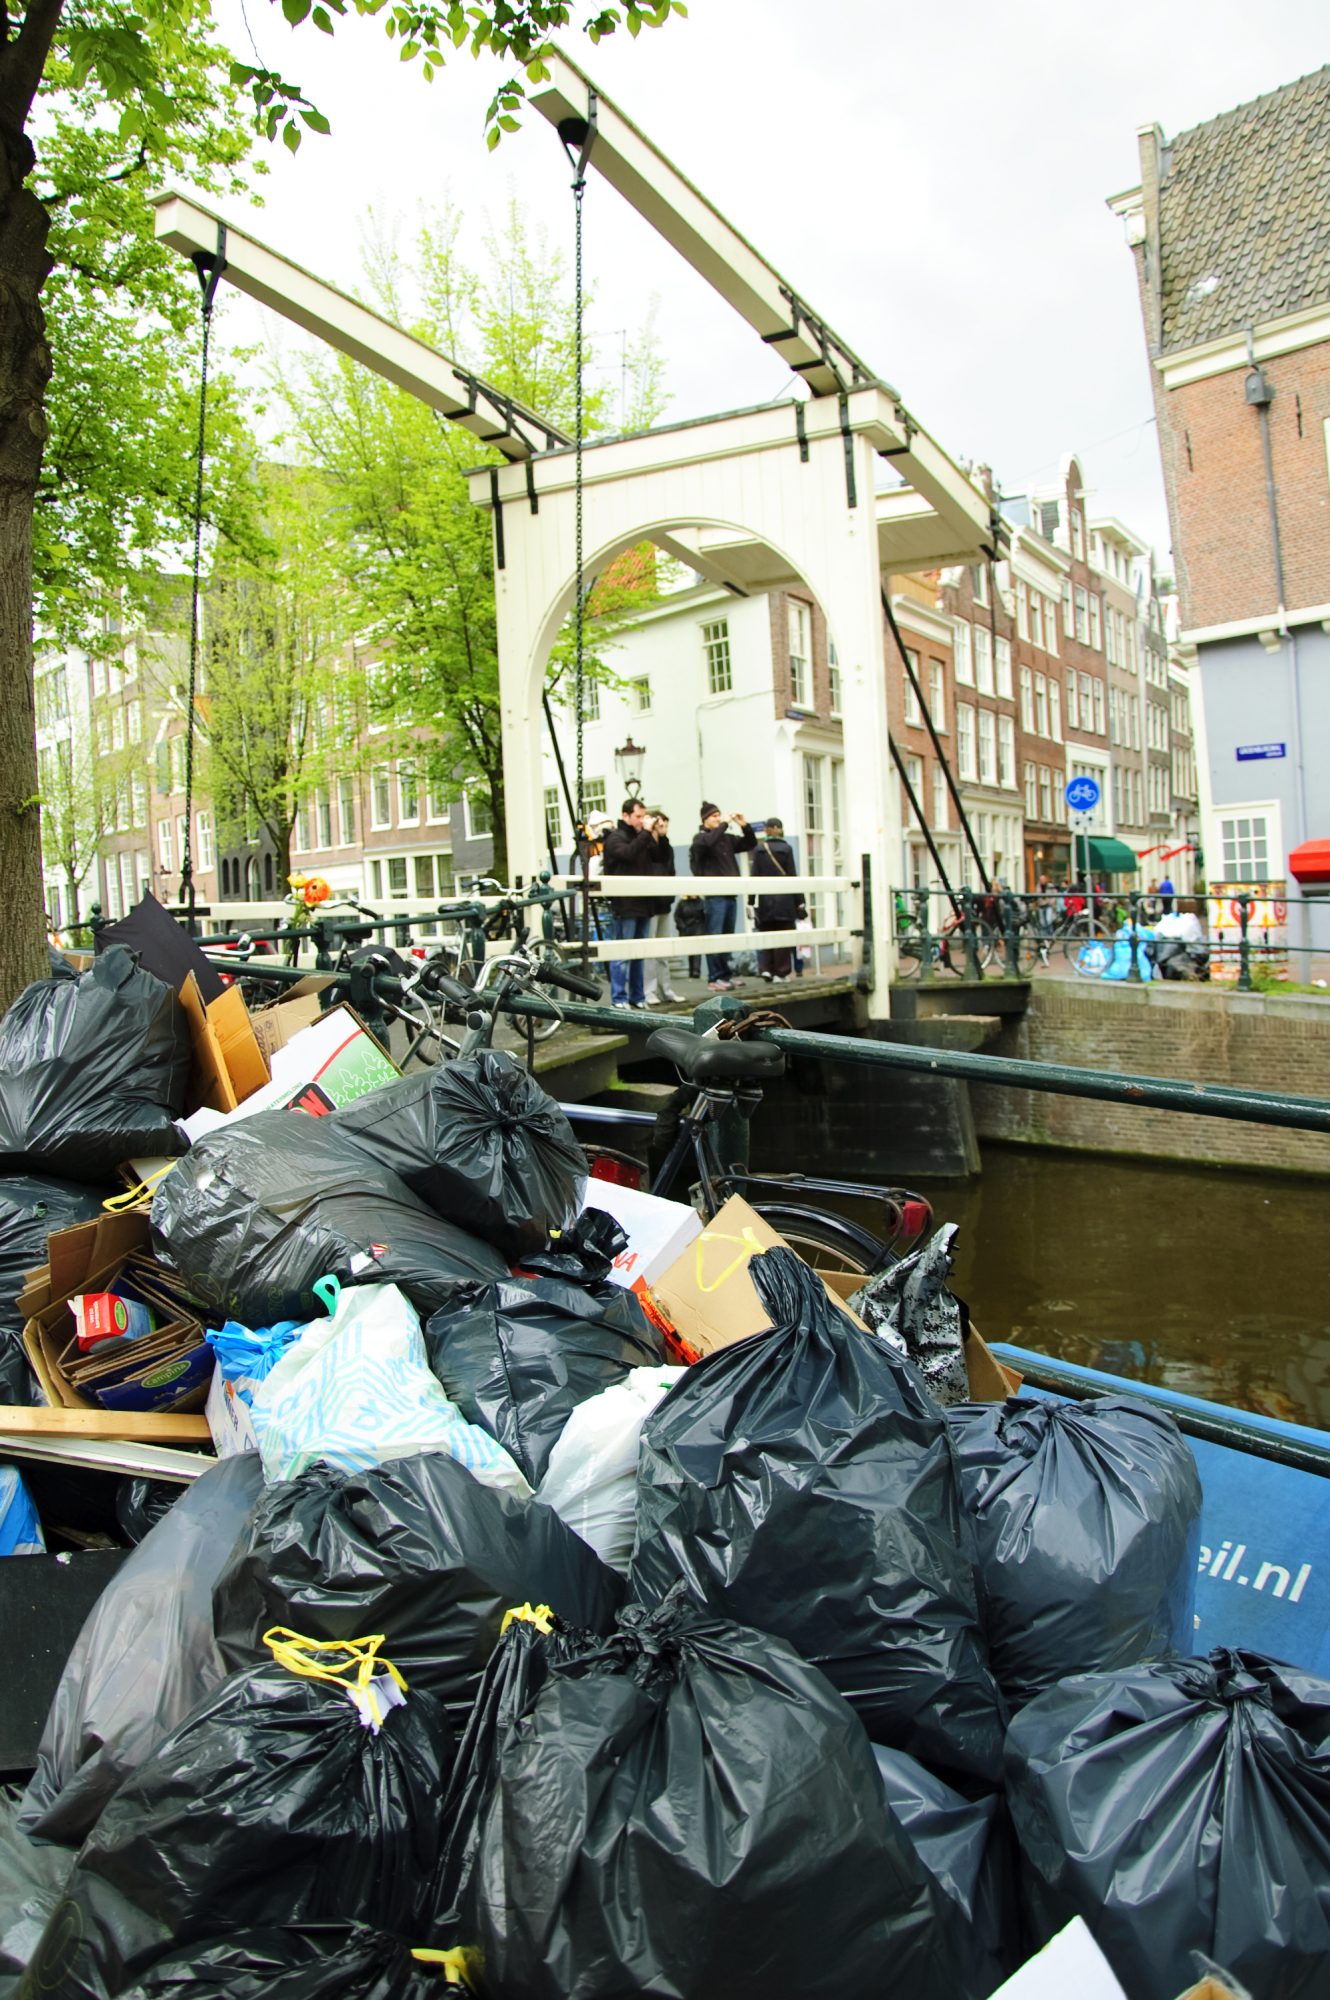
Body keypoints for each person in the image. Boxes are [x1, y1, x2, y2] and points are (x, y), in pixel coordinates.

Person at [689, 801, 757, 990]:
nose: (718, 819)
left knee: (727, 936)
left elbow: (749, 843)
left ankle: (726, 974)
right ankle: (714, 977)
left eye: (719, 815)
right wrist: (725, 824)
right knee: (715, 935)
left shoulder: (726, 839)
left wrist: (744, 825)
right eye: (714, 816)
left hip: (729, 894)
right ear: (705, 820)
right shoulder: (700, 838)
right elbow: (710, 842)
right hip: (714, 895)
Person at [600, 798, 657, 1008]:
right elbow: (628, 854)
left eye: (643, 816)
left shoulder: (641, 836)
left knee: (639, 954)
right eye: (638, 817)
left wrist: (657, 835)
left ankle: (637, 996)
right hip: (625, 904)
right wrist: (645, 834)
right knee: (622, 953)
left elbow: (659, 856)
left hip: (643, 903)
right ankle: (619, 997)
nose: (642, 821)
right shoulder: (616, 838)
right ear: (626, 816)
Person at [748, 817, 806, 981]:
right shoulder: (786, 849)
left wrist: (751, 901)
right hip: (784, 901)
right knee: (783, 937)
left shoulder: (759, 849)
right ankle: (781, 972)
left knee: (767, 935)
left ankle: (766, 968)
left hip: (766, 901)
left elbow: (754, 876)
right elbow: (792, 875)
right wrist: (800, 901)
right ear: (778, 829)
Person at [640, 809, 683, 1004]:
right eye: (660, 822)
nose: (663, 826)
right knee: (650, 950)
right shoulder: (646, 844)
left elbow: (669, 868)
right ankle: (649, 991)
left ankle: (666, 989)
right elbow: (653, 861)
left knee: (664, 950)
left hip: (664, 901)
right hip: (650, 903)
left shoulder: (667, 846)